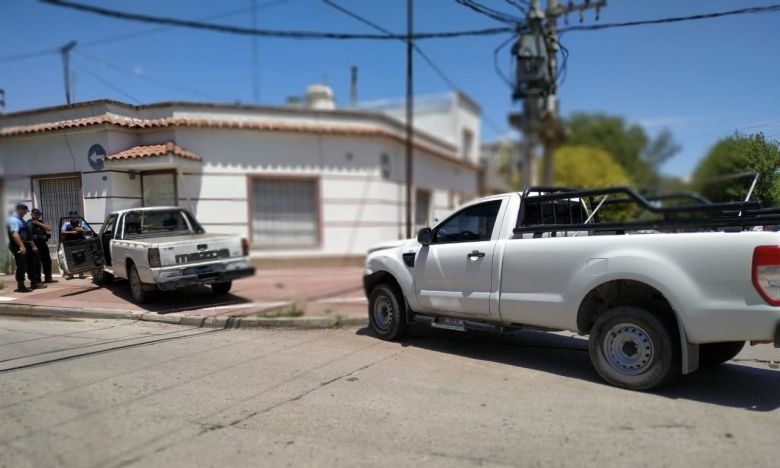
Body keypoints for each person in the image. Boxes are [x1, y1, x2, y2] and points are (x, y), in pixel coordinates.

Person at [6, 204, 46, 292]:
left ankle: (34, 283)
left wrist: (33, 246)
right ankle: (21, 285)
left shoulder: (21, 220)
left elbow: (28, 234)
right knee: (22, 265)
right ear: (19, 210)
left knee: (32, 263)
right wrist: (21, 246)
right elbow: (14, 234)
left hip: (26, 244)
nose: (25, 213)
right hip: (17, 245)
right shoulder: (14, 220)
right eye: (24, 211)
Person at [60, 210, 92, 279]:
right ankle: (70, 274)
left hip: (80, 243)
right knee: (70, 259)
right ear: (70, 217)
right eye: (72, 216)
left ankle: (81, 273)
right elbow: (62, 231)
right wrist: (72, 232)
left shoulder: (81, 222)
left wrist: (81, 229)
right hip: (69, 244)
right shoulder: (67, 223)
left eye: (75, 216)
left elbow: (89, 230)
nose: (74, 218)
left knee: (80, 257)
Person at [28, 208, 57, 284]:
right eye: (36, 214)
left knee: (47, 261)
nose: (38, 216)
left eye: (39, 214)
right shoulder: (29, 223)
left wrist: (38, 223)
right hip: (35, 245)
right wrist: (33, 246)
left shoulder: (40, 222)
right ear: (32, 214)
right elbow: (29, 236)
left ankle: (48, 277)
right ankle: (37, 280)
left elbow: (49, 228)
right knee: (37, 263)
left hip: (43, 244)